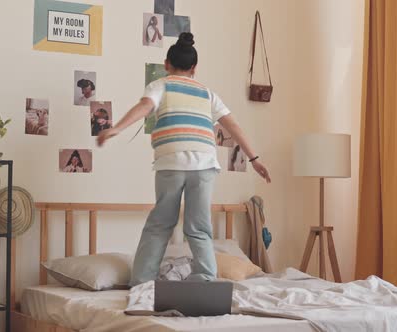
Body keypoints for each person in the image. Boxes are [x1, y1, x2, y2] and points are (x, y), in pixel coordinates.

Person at [97, 32, 271, 286]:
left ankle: (143, 282)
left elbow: (144, 107)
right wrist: (254, 158)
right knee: (199, 227)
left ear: (166, 64)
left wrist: (116, 128)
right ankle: (206, 281)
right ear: (194, 68)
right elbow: (233, 126)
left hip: (172, 162)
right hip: (204, 164)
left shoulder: (160, 85)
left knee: (160, 224)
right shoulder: (207, 93)